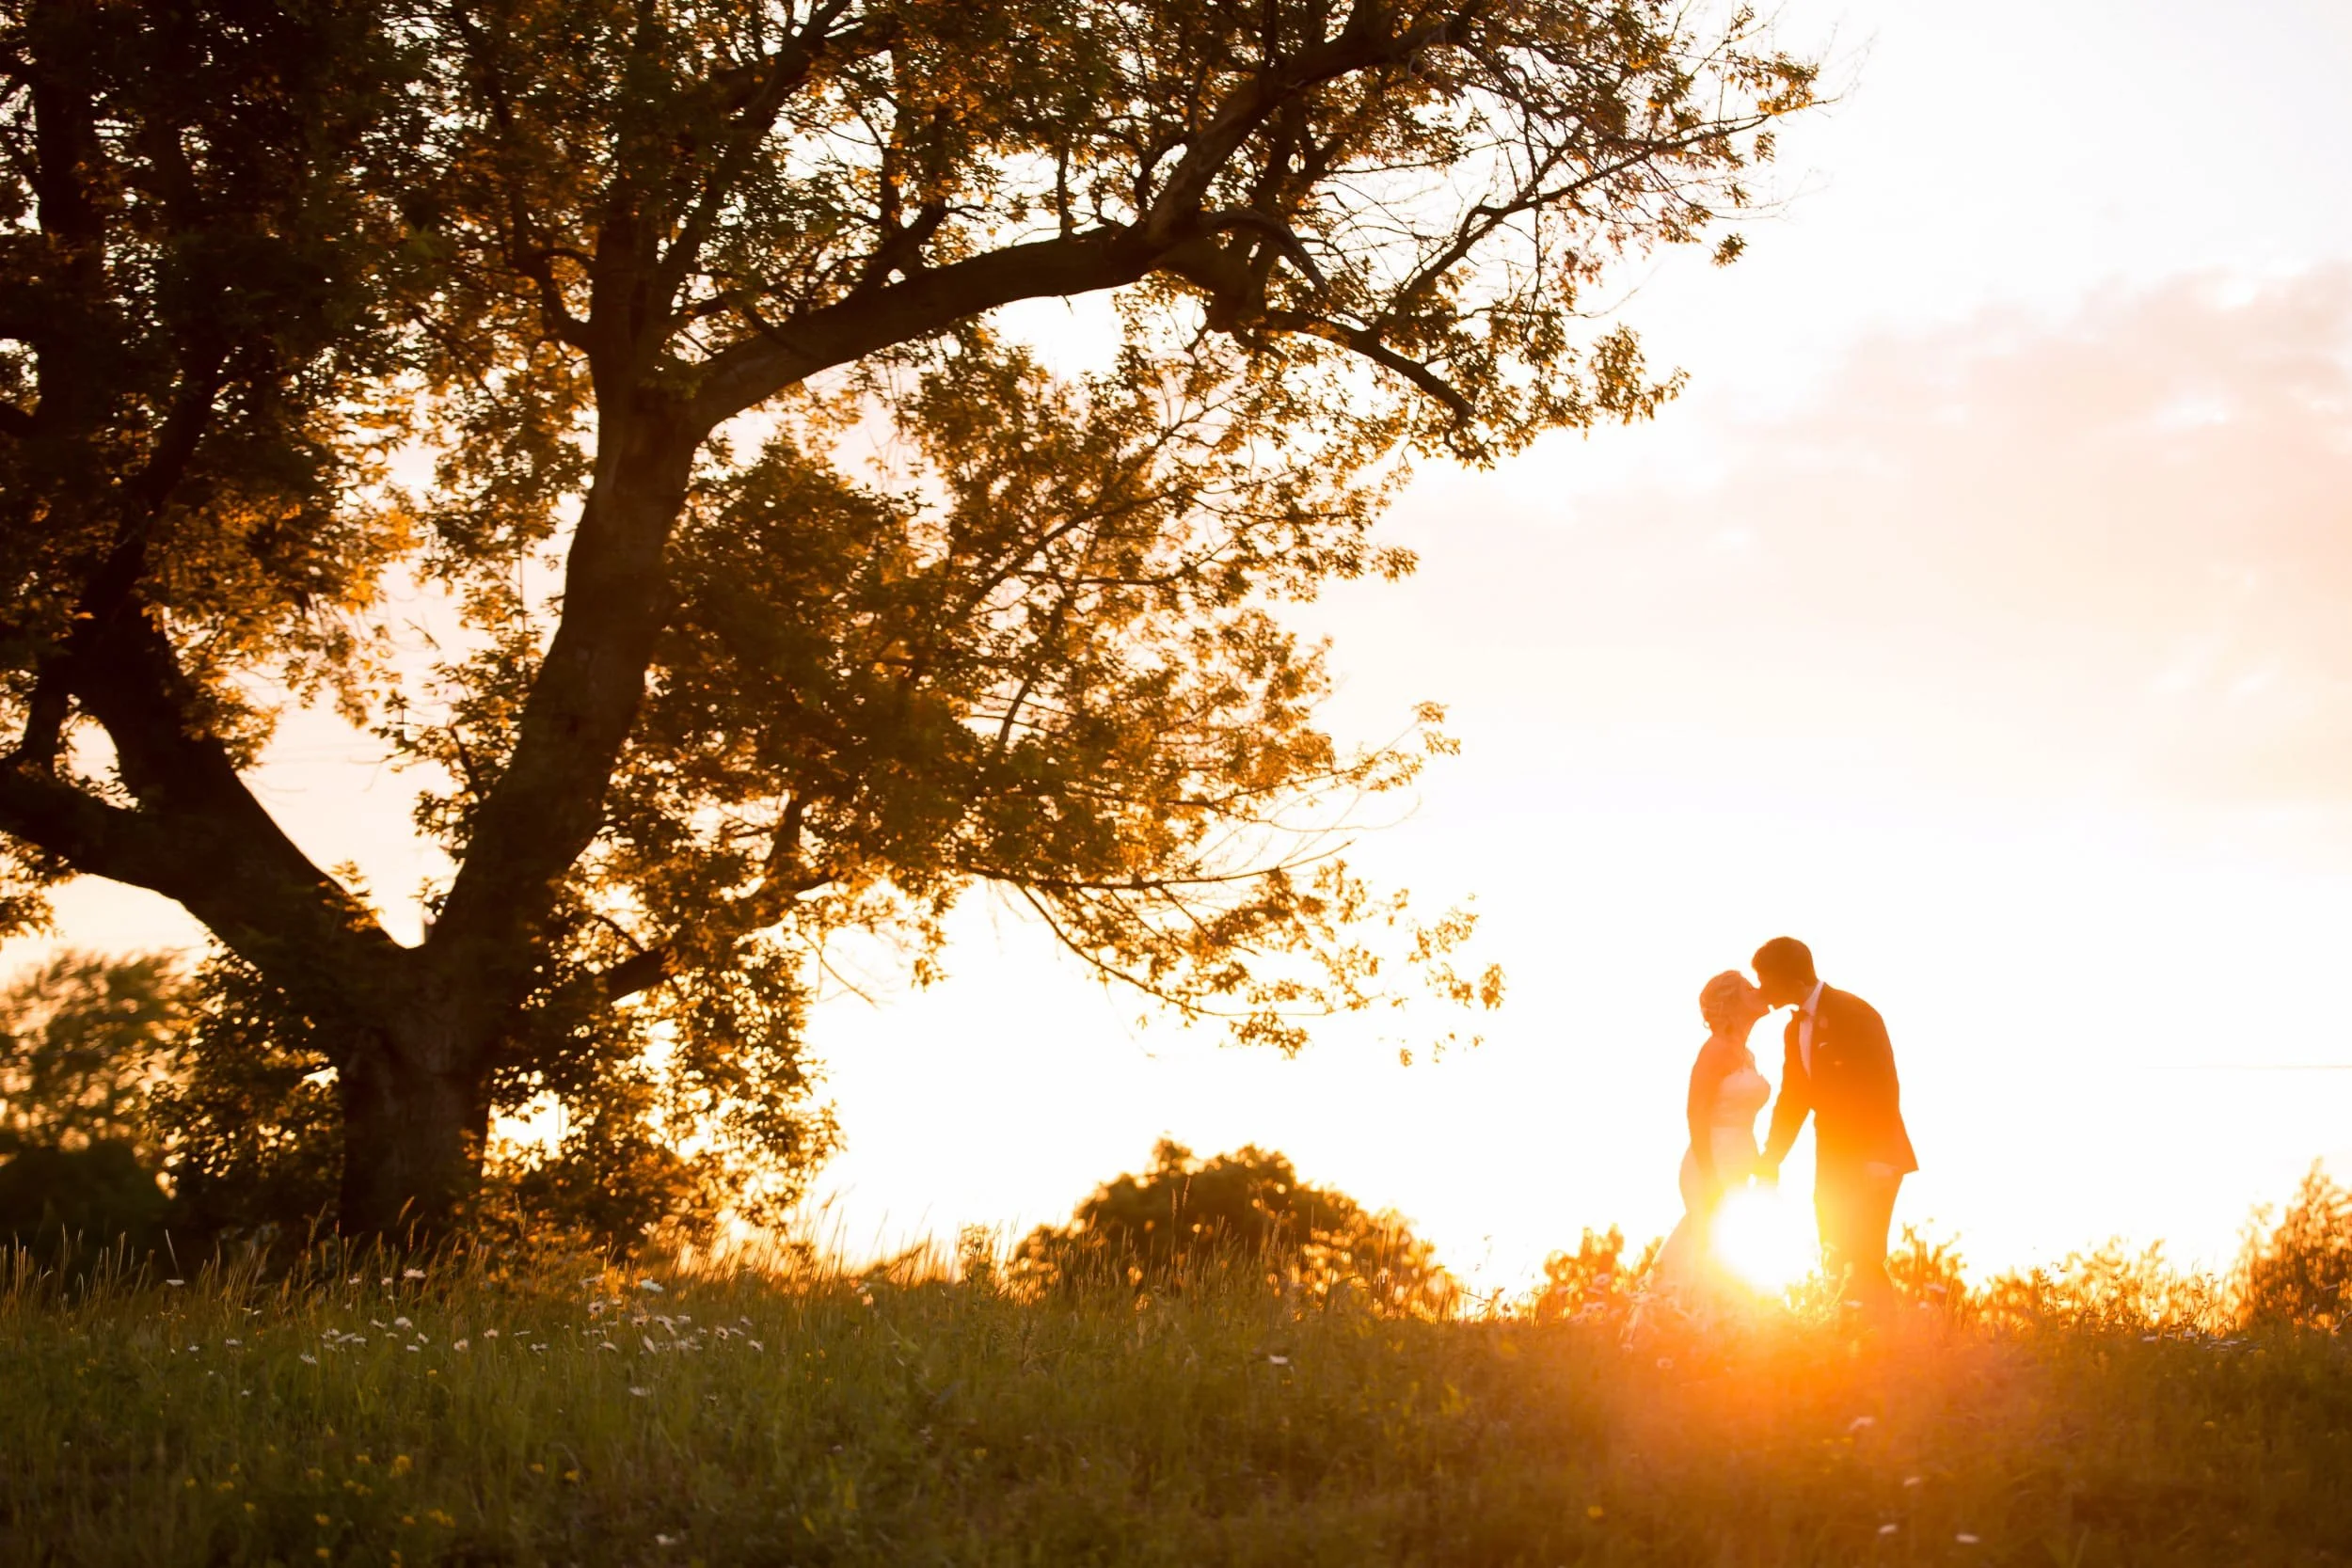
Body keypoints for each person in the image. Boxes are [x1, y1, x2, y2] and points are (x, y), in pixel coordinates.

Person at [1753, 936, 1917, 1314]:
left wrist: (1877, 1158)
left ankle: (1885, 1348)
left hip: (1874, 1158)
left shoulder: (1855, 1012)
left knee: (1864, 1256)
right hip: (1832, 1158)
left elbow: (1883, 1087)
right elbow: (1793, 1099)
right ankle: (1849, 1345)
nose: (1762, 990)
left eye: (1765, 980)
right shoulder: (1793, 1030)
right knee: (1835, 1252)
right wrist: (1770, 1159)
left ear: (1790, 979)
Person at [1653, 970, 1774, 1296]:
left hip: (1739, 1158)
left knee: (1727, 1244)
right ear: (1733, 1002)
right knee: (1707, 1239)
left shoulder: (1746, 1054)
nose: (1760, 991)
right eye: (1750, 988)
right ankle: (1678, 1324)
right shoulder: (1715, 1050)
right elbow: (1696, 1113)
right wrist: (1709, 1174)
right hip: (1711, 1158)